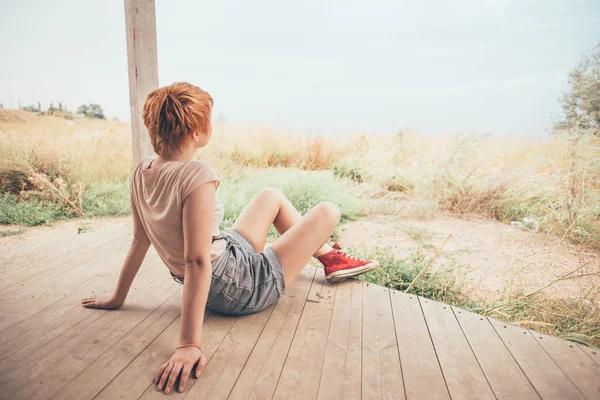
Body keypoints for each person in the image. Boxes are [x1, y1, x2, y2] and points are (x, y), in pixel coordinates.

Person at [81, 82, 379, 394]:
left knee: (270, 196)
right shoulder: (196, 174)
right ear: (197, 132)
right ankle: (330, 255)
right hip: (238, 286)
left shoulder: (141, 172)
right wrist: (187, 345)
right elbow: (196, 261)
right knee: (328, 211)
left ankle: (330, 257)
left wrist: (118, 297)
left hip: (226, 256)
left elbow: (139, 240)